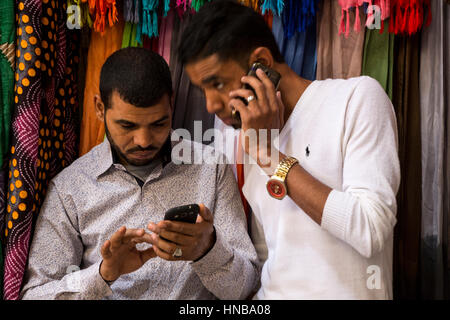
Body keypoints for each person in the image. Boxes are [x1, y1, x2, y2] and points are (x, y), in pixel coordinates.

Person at [179, 0, 401, 299]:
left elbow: (370, 231)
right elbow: (267, 251)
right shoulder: (238, 137)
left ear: (263, 64)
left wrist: (270, 158)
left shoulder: (356, 99)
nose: (210, 105)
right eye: (201, 90)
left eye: (217, 83)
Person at [20, 47, 260, 300]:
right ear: (100, 108)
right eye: (127, 125)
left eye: (158, 124)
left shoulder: (211, 168)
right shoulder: (70, 188)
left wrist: (208, 251)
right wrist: (104, 274)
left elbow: (243, 290)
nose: (144, 141)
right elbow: (34, 295)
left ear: (172, 103)